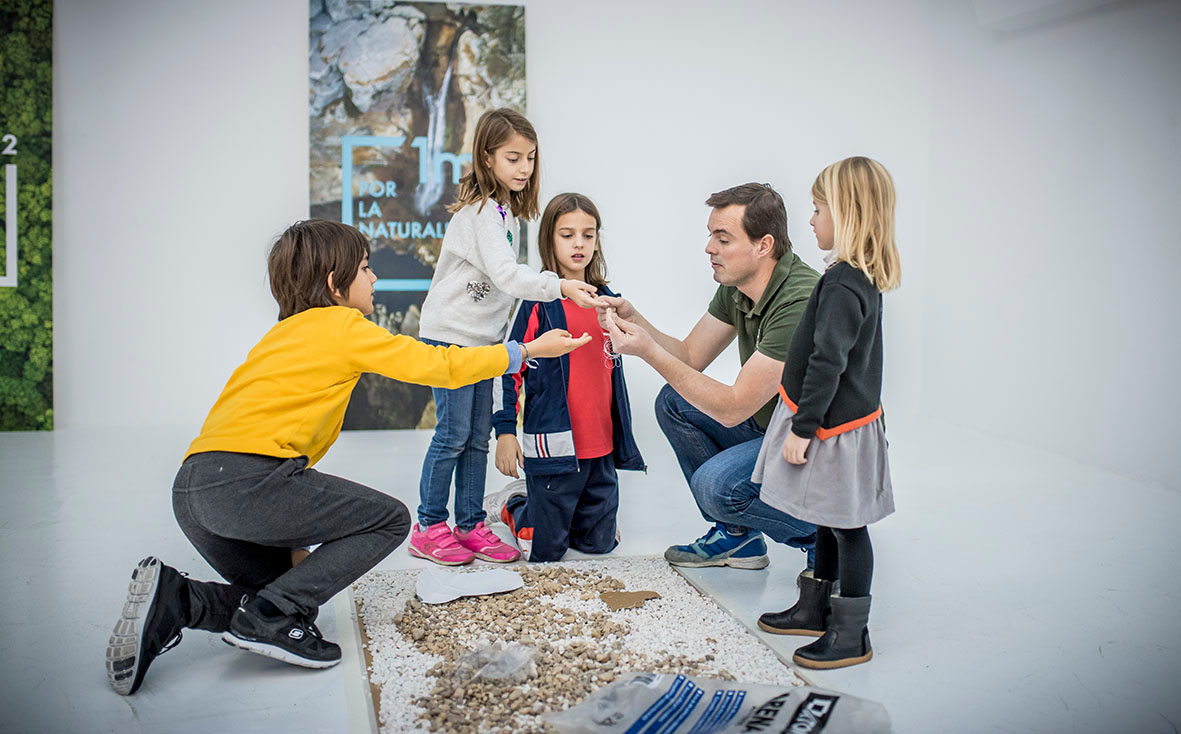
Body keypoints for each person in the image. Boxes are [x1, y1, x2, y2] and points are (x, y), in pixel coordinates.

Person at [104, 219, 591, 696]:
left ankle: (181, 600)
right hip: (246, 482)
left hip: (194, 490)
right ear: (337, 284)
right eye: (365, 268)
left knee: (290, 596)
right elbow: (437, 365)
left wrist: (297, 563)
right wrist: (524, 350)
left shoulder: (281, 334)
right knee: (388, 520)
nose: (374, 278)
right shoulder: (342, 325)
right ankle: (268, 618)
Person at [412, 108, 606, 566]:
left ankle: (469, 524)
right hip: (451, 339)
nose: (524, 169)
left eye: (531, 158)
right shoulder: (480, 213)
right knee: (454, 434)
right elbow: (505, 276)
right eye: (513, 158)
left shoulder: (507, 216)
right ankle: (429, 525)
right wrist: (558, 284)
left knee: (477, 436)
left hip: (483, 343)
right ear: (487, 157)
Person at [596, 183, 819, 572]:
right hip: (771, 428)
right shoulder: (738, 285)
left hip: (813, 446)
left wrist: (647, 350)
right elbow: (690, 356)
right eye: (710, 236)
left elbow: (734, 409)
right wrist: (635, 320)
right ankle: (739, 538)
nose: (709, 248)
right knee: (675, 401)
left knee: (717, 487)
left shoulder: (799, 300)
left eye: (723, 238)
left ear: (763, 245)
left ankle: (825, 536)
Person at [750, 156, 900, 669]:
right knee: (827, 518)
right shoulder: (854, 276)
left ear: (848, 213)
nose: (811, 219)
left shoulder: (841, 283)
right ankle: (816, 608)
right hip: (843, 422)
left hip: (832, 425)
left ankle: (851, 634)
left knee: (847, 526)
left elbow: (828, 360)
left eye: (818, 209)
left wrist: (803, 427)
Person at [484, 193, 645, 561]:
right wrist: (505, 432)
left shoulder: (608, 300)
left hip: (600, 448)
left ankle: (573, 518)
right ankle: (516, 503)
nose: (579, 244)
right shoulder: (537, 303)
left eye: (588, 235)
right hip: (553, 448)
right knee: (544, 552)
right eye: (567, 235)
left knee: (600, 544)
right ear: (549, 241)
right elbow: (506, 367)